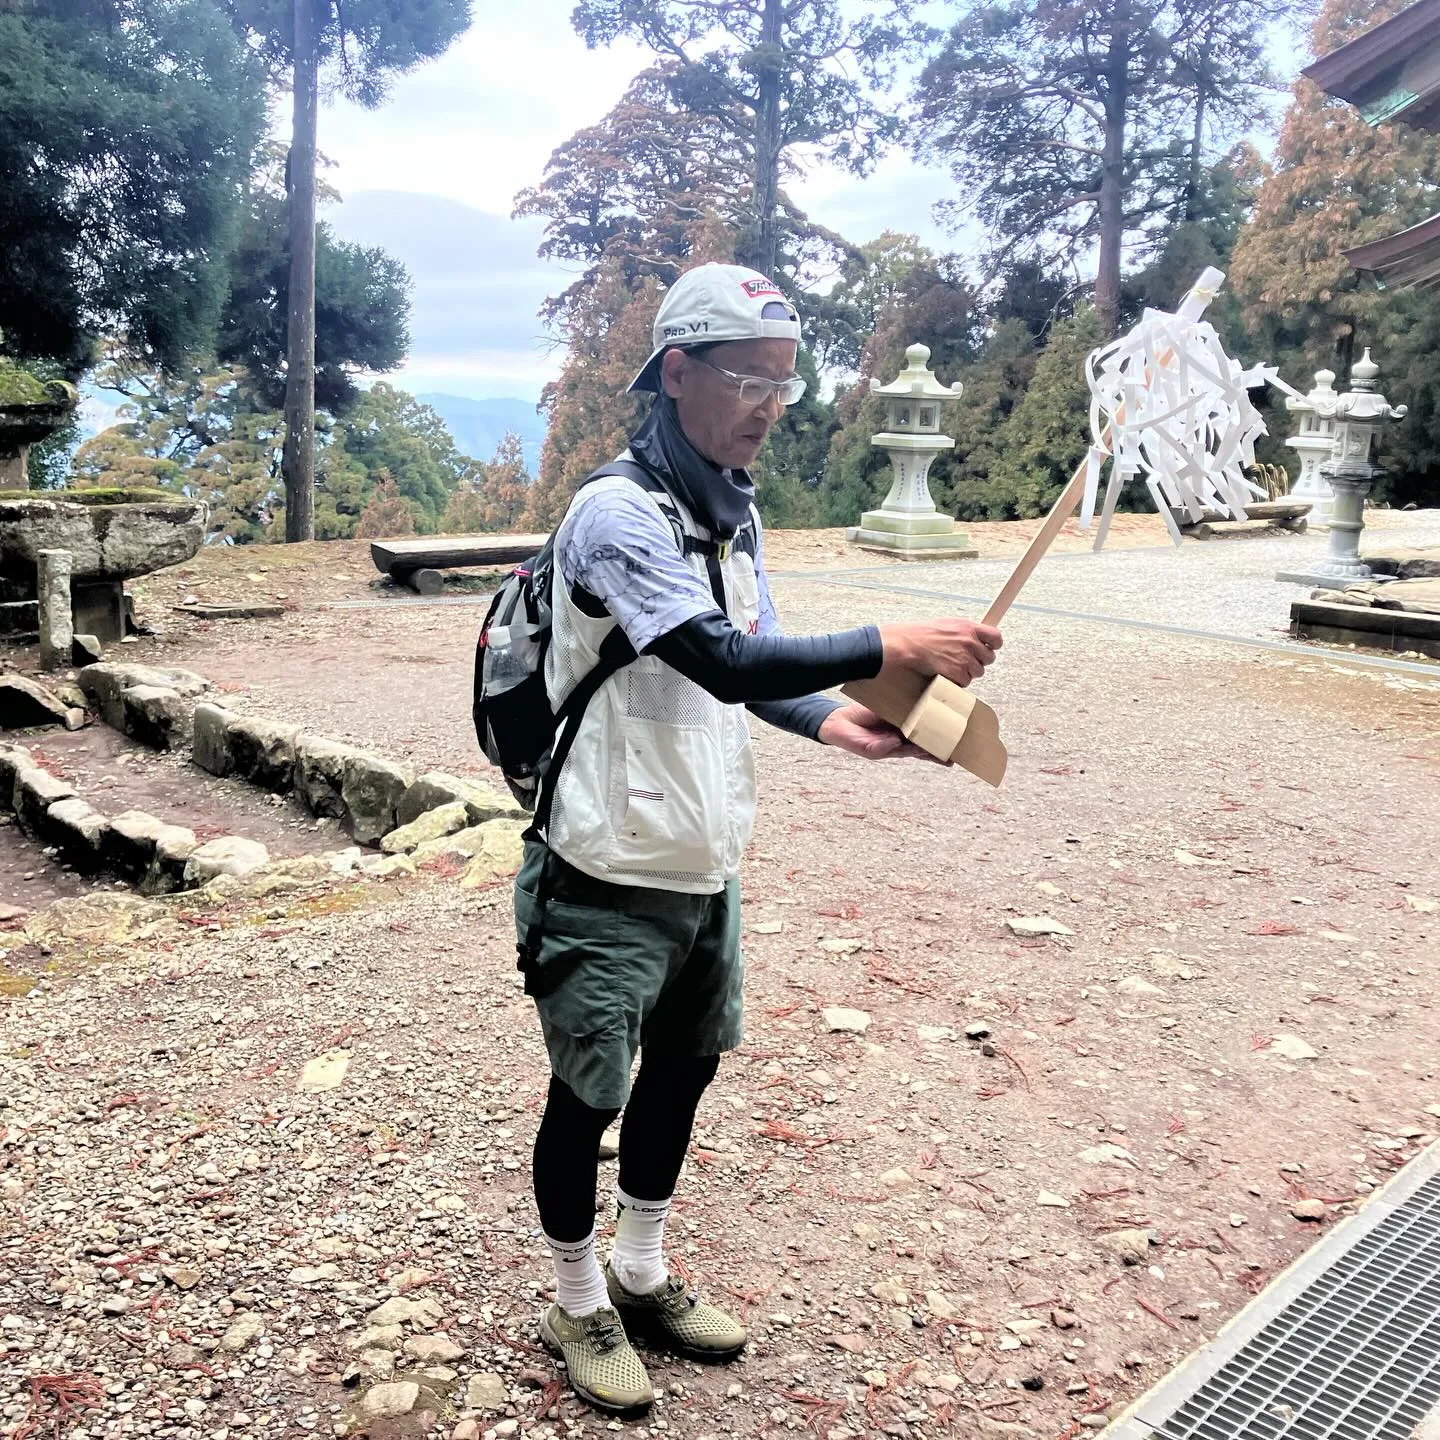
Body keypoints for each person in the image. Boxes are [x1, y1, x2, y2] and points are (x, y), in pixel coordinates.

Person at [516, 261, 1002, 1413]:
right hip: (602, 864)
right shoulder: (616, 515)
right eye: (750, 381)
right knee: (588, 1095)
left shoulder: (733, 516)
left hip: (703, 855)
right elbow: (718, 656)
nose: (771, 408)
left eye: (785, 385)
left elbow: (755, 670)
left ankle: (641, 1274)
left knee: (685, 1071)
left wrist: (836, 719)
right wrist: (890, 642)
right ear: (677, 373)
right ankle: (576, 1300)